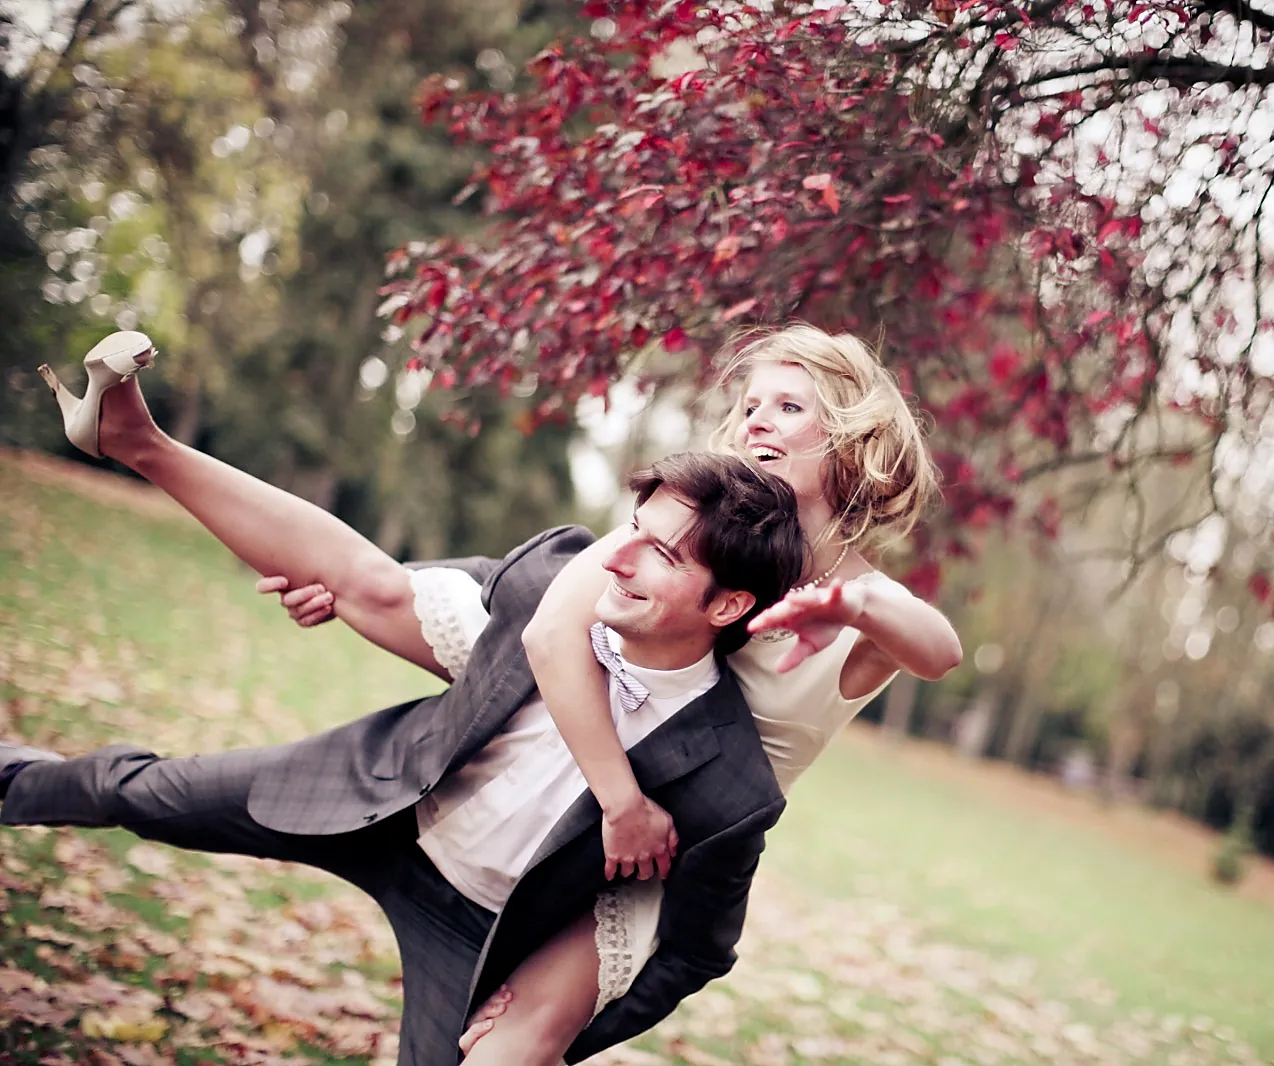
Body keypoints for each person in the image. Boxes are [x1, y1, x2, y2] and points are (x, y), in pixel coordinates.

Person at [10, 350, 811, 1065]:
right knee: (138, 792)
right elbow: (390, 579)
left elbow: (694, 954)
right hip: (384, 799)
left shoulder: (733, 787)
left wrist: (566, 1037)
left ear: (728, 605)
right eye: (631, 530)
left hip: (477, 930)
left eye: (661, 556)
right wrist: (328, 592)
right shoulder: (553, 582)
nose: (620, 558)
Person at [265, 325, 965, 1060]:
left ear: (854, 437)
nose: (757, 418)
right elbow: (544, 621)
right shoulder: (688, 528)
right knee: (373, 585)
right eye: (752, 403)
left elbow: (941, 653)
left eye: (789, 407)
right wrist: (336, 591)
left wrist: (856, 607)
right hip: (573, 794)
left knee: (510, 1048)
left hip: (652, 866)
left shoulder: (861, 610)